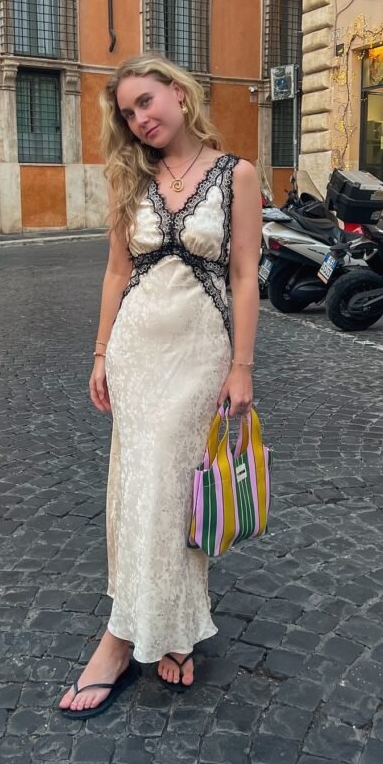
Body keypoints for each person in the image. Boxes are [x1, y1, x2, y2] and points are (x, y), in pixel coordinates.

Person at [59, 52, 261, 717]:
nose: (139, 119)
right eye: (127, 113)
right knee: (136, 483)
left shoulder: (238, 176)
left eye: (146, 102)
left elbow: (243, 278)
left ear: (178, 93)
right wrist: (98, 353)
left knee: (175, 488)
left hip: (200, 348)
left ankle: (161, 629)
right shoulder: (131, 176)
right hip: (137, 349)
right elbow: (117, 273)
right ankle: (131, 634)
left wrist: (242, 369)